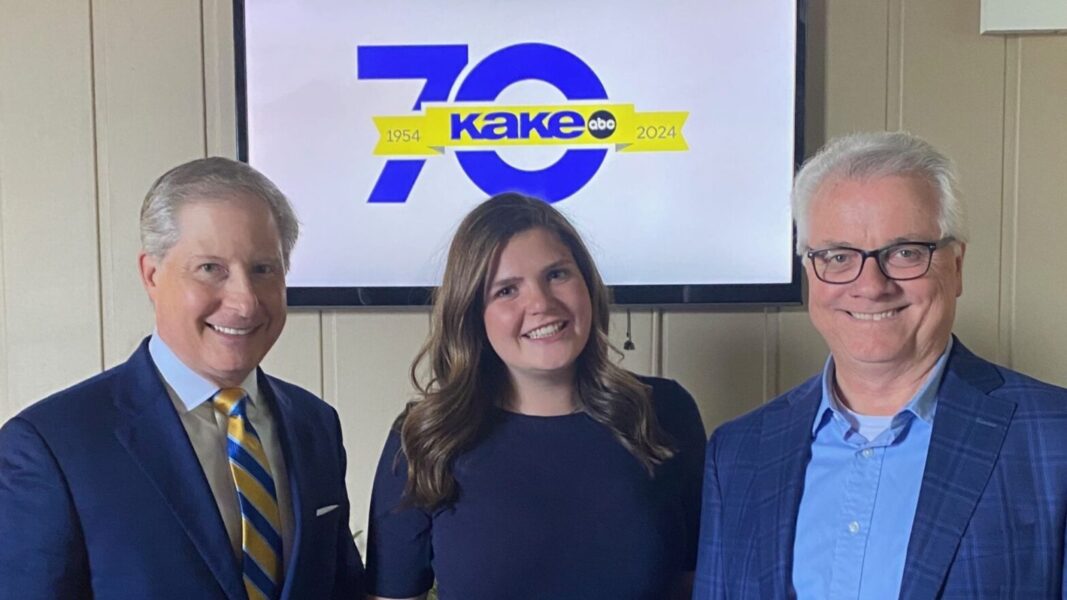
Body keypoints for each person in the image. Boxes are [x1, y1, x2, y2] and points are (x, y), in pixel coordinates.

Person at [693, 131, 1067, 599]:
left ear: (956, 266)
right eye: (837, 256)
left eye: (905, 252)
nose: (870, 285)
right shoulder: (739, 453)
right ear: (811, 272)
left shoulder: (1053, 439)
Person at [0, 157, 364, 599]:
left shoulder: (316, 423)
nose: (245, 301)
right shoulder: (52, 446)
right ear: (152, 275)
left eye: (263, 269)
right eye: (211, 269)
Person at [365, 193, 706, 600]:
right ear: (473, 314)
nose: (542, 304)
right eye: (507, 290)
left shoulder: (664, 412)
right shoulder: (423, 440)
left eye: (557, 274)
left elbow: (698, 582)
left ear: (588, 285)